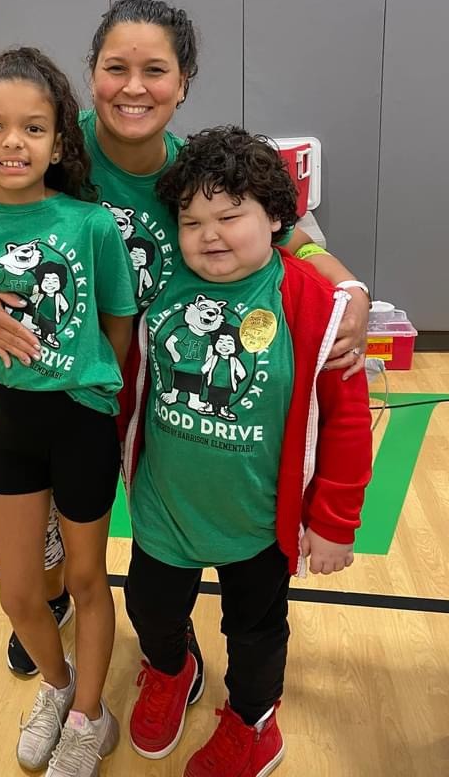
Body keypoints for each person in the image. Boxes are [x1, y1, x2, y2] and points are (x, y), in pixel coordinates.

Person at [0, 0, 372, 681]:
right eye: (117, 67)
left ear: (183, 83)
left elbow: (288, 235)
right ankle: (48, 603)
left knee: (117, 527)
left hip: (133, 385)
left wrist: (349, 289)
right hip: (29, 376)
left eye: (156, 70)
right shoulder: (54, 146)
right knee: (41, 531)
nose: (135, 86)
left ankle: (161, 641)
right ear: (92, 76)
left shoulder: (191, 175)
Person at [119, 126, 373, 777]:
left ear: (277, 218)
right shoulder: (161, 285)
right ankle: (171, 670)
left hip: (258, 525)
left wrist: (334, 522)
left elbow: (345, 422)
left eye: (230, 215)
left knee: (256, 636)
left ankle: (254, 722)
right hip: (162, 511)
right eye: (192, 219)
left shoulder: (313, 303)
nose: (210, 233)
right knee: (150, 609)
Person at [0, 48, 136, 775]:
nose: (14, 142)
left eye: (34, 128)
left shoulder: (90, 223)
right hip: (13, 427)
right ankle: (58, 687)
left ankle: (89, 715)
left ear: (58, 142)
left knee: (84, 580)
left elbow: (116, 325)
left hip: (79, 423)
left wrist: (87, 380)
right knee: (18, 594)